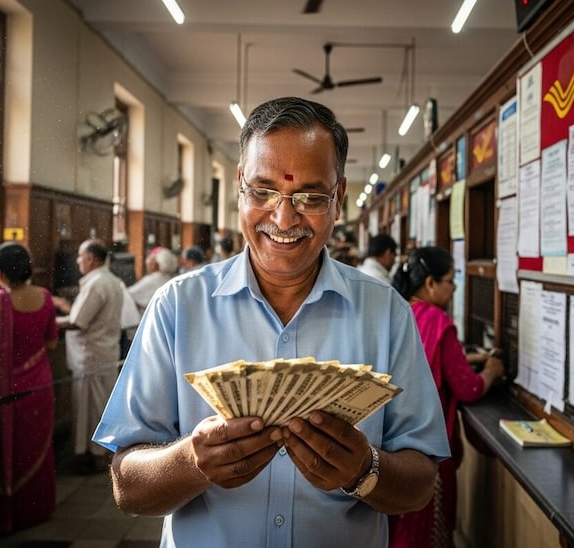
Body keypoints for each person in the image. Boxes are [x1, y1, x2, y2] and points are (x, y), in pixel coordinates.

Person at [93, 96, 450, 547]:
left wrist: (365, 470)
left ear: (339, 198)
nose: (284, 218)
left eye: (311, 197)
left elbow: (420, 486)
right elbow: (126, 487)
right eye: (264, 191)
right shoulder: (177, 308)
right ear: (240, 186)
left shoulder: (387, 315)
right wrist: (191, 461)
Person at [389, 246, 505, 548]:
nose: (453, 290)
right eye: (451, 281)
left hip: (389, 442)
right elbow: (470, 388)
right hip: (426, 450)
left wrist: (470, 356)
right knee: (426, 530)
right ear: (430, 283)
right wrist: (491, 370)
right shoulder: (440, 323)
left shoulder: (397, 311)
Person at [0, 242, 58, 537]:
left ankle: (6, 515)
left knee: (6, 450)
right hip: (39, 385)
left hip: (4, 389)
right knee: (36, 449)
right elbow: (51, 343)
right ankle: (37, 509)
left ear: (1, 273)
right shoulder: (45, 297)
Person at [54, 238, 123, 475]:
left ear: (92, 259)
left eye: (81, 256)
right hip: (104, 353)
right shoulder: (111, 281)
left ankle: (96, 457)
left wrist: (48, 319)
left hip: (91, 356)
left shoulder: (97, 283)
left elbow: (77, 322)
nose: (77, 260)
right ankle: (100, 454)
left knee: (91, 409)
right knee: (100, 406)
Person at [127, 246, 179, 310]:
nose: (148, 264)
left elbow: (128, 294)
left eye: (151, 260)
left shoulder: (153, 279)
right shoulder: (172, 278)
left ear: (158, 263)